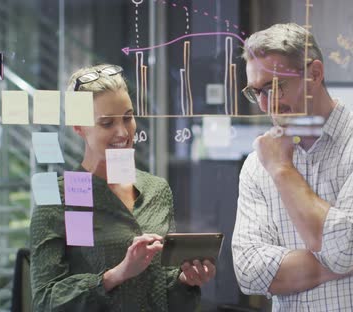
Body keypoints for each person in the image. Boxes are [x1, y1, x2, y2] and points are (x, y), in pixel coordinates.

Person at [231, 23, 353, 311]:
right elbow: (249, 271)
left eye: (276, 87)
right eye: (257, 92)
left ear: (314, 73)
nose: (266, 105)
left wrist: (281, 169)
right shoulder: (257, 163)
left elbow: (344, 250)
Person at [30, 64, 216, 311]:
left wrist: (185, 280)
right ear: (79, 127)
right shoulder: (60, 199)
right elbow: (45, 302)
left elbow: (163, 290)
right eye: (107, 123)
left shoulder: (156, 190)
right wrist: (117, 274)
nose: (123, 132)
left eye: (128, 118)